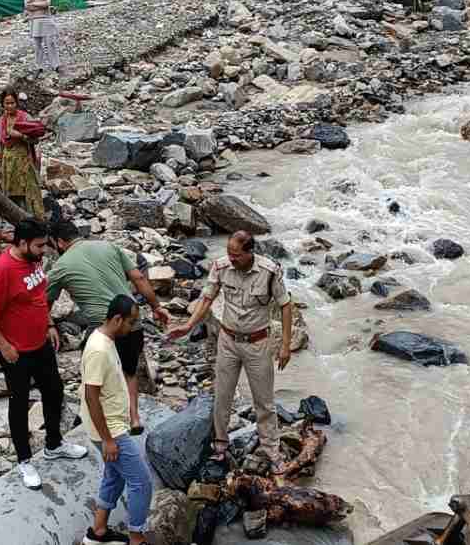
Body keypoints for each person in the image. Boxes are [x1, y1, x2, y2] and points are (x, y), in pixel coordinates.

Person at [0, 219, 88, 490]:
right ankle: (24, 460)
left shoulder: (33, 260)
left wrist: (49, 323)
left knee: (54, 391)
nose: (43, 251)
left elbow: (37, 296)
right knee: (19, 401)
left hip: (40, 342)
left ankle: (54, 444)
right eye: (38, 246)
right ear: (21, 242)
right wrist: (4, 346)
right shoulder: (1, 271)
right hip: (16, 350)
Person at [168, 231, 293, 473]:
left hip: (258, 343)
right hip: (227, 341)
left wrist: (285, 345)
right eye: (229, 253)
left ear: (250, 252)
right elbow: (206, 299)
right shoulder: (221, 266)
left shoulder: (269, 271)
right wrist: (187, 325)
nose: (231, 258)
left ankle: (272, 451)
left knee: (264, 402)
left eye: (236, 255)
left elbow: (286, 305)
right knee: (222, 396)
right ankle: (220, 445)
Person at [47, 220, 170, 435]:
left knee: (94, 375)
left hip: (101, 328)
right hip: (131, 320)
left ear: (59, 242)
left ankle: (101, 420)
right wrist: (157, 307)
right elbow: (138, 277)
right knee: (129, 372)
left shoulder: (61, 266)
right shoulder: (107, 246)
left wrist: (49, 324)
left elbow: (43, 302)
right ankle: (133, 418)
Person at [82, 295, 154, 545]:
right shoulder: (99, 350)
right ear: (116, 319)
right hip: (110, 431)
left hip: (114, 426)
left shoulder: (106, 338)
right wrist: (108, 440)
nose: (132, 327)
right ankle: (137, 537)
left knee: (115, 476)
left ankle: (97, 532)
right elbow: (91, 396)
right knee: (141, 481)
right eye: (130, 322)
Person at [0, 88, 45, 219]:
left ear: (16, 103)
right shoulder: (2, 120)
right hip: (8, 161)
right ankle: (17, 221)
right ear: (2, 104)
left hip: (23, 160)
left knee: (28, 190)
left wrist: (20, 135)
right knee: (11, 192)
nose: (9, 106)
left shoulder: (25, 117)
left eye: (12, 103)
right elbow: (1, 142)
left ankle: (34, 220)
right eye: (7, 103)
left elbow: (35, 140)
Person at [24, 0, 60, 75]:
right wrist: (42, 4)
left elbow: (48, 2)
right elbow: (27, 5)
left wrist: (34, 4)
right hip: (34, 20)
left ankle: (56, 65)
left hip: (46, 18)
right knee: (37, 44)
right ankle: (39, 66)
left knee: (50, 43)